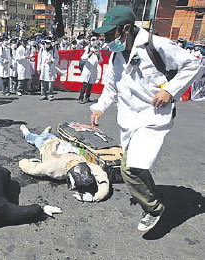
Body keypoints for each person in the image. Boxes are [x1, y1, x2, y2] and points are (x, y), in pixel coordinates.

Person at [90, 6, 201, 231]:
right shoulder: (116, 57)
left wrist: (169, 90)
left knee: (129, 169)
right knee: (137, 166)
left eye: (111, 33)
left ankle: (155, 209)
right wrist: (99, 108)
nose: (107, 38)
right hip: (129, 119)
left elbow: (193, 63)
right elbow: (111, 87)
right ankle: (151, 194)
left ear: (127, 29)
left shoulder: (156, 45)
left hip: (153, 117)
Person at [18, 125, 109, 202]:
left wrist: (24, 162)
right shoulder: (86, 163)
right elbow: (102, 177)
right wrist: (98, 195)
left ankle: (26, 133)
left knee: (35, 139)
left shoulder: (54, 167)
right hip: (58, 141)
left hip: (46, 144)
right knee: (47, 135)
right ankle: (43, 133)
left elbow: (33, 169)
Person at [79, 36, 103, 104]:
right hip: (87, 69)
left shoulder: (98, 50)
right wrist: (90, 53)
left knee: (90, 85)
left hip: (93, 70)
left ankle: (87, 97)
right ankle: (81, 97)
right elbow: (83, 58)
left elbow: (101, 60)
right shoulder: (88, 49)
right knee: (85, 84)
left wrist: (98, 55)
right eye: (93, 40)